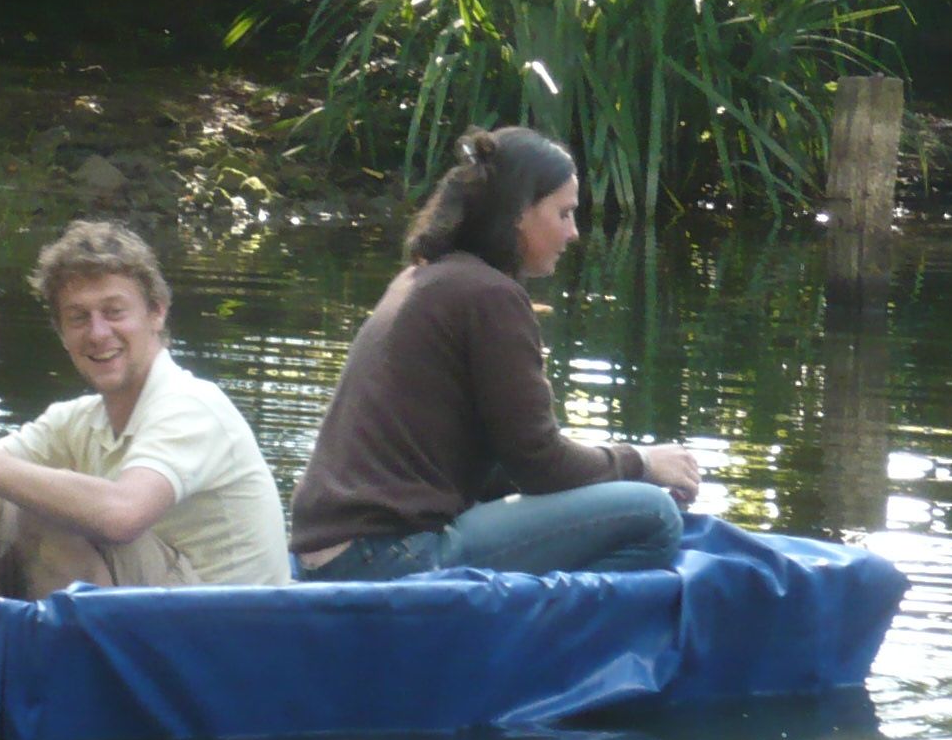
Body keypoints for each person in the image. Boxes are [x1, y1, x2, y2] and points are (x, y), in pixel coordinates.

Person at [288, 126, 701, 582]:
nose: (574, 233)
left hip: (333, 552)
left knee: (628, 501)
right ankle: (536, 647)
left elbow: (507, 464)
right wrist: (642, 465)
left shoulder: (424, 278)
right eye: (563, 214)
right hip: (387, 556)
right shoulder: (490, 295)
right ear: (520, 213)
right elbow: (540, 465)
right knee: (655, 515)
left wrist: (609, 482)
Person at [0, 219, 291, 597]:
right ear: (61, 332)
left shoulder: (193, 406)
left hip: (224, 643)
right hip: (151, 627)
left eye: (114, 312)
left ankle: (62, 676)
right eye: (78, 318)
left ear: (157, 313)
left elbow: (122, 514)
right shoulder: (77, 421)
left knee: (49, 519)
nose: (97, 333)